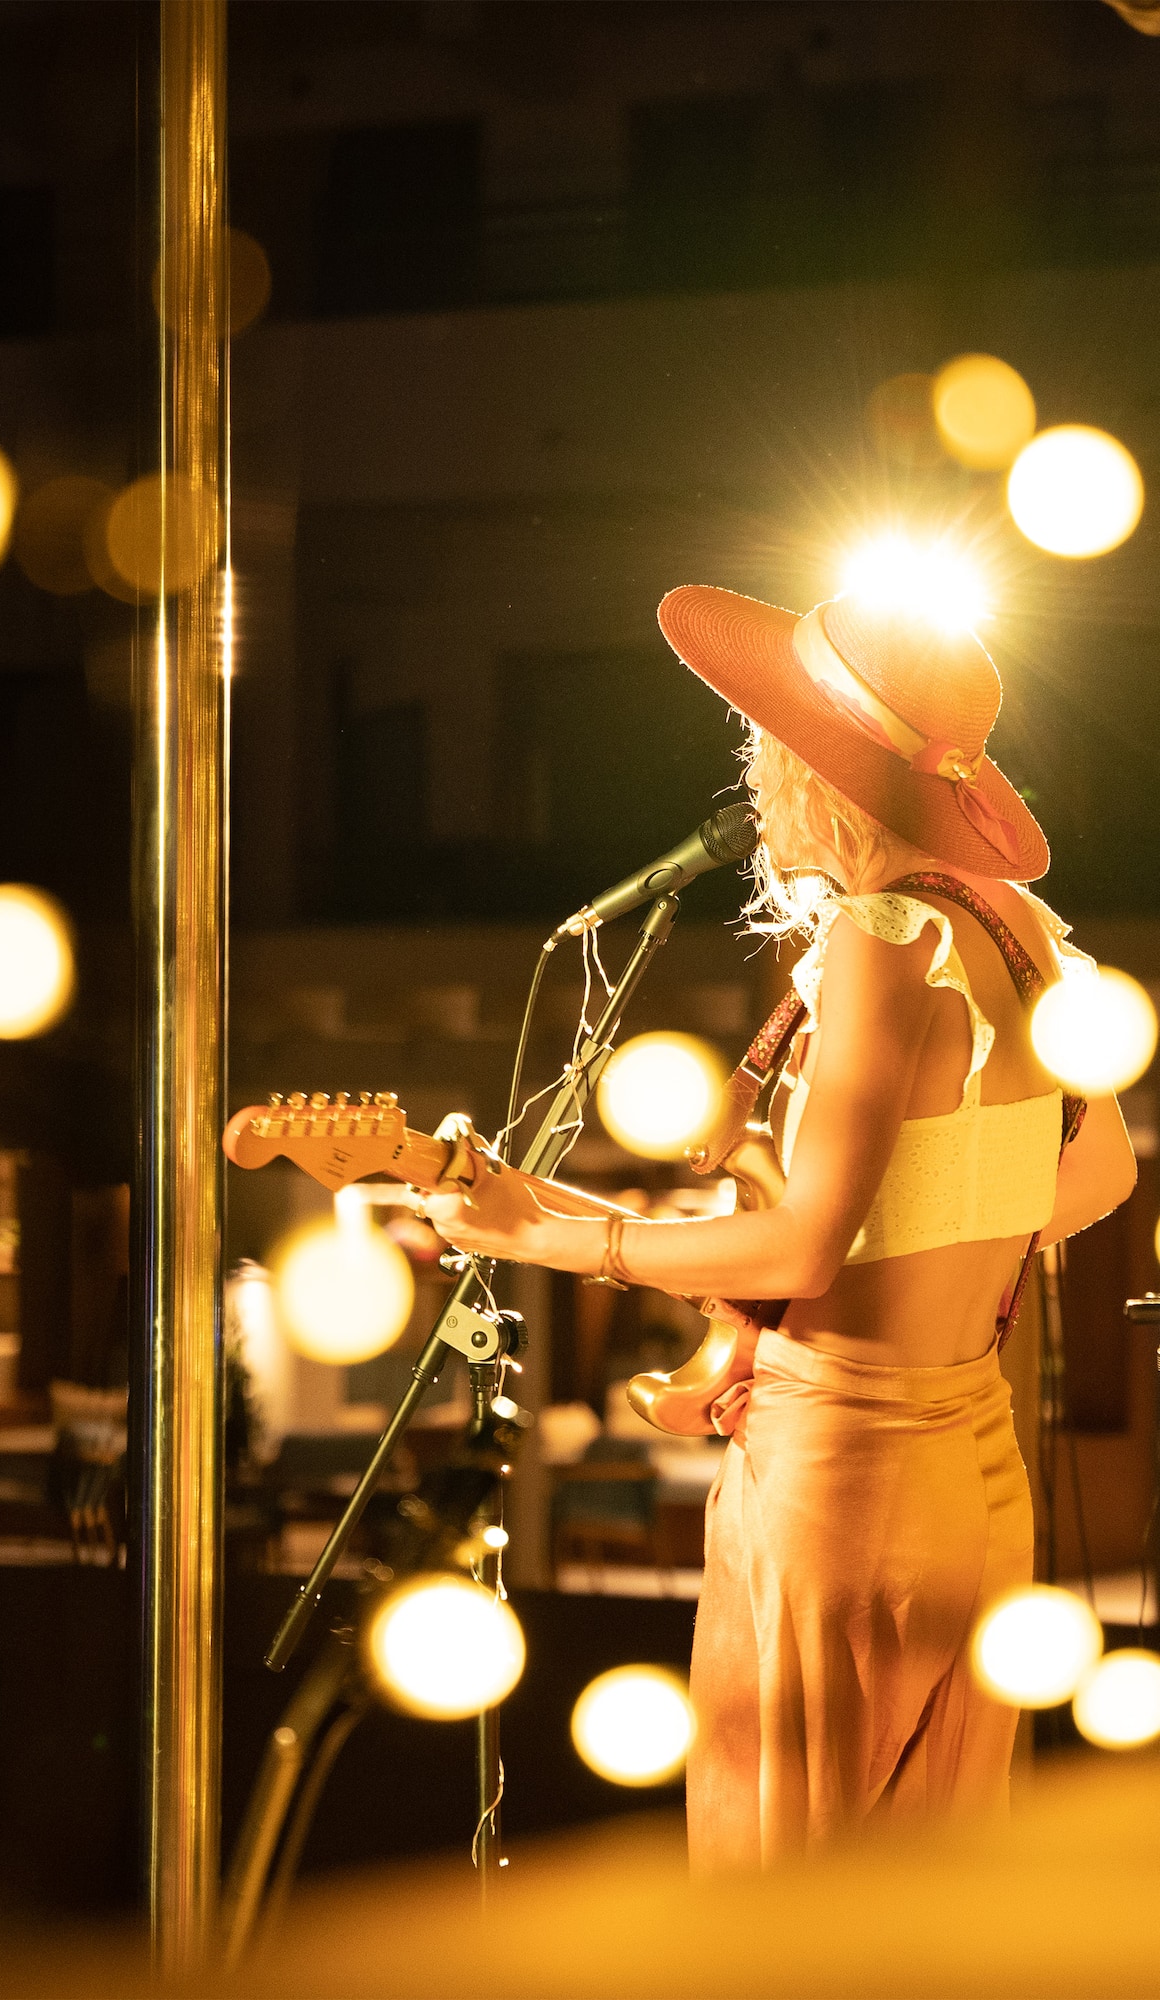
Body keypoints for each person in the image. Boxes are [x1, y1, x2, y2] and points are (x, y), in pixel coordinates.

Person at [427, 584, 1136, 1871]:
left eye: (764, 739)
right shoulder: (1021, 932)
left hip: (842, 1477)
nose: (751, 773)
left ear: (813, 767)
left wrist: (545, 1238)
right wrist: (932, 1222)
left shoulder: (875, 941)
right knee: (926, 1914)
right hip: (973, 1472)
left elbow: (801, 1251)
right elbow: (1101, 1177)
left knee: (785, 1905)